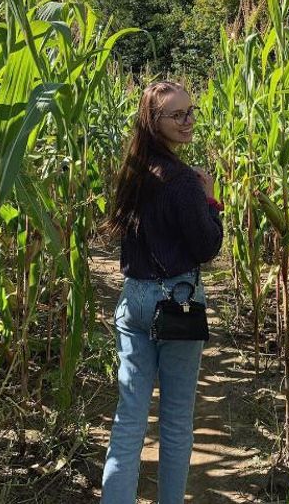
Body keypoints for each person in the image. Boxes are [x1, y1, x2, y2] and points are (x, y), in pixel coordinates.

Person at [100, 80, 224, 503]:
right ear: (155, 122)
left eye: (191, 112)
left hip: (133, 301)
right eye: (178, 115)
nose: (188, 121)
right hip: (177, 304)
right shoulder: (184, 181)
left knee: (129, 419)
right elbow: (206, 247)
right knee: (175, 420)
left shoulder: (134, 171)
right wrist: (210, 201)